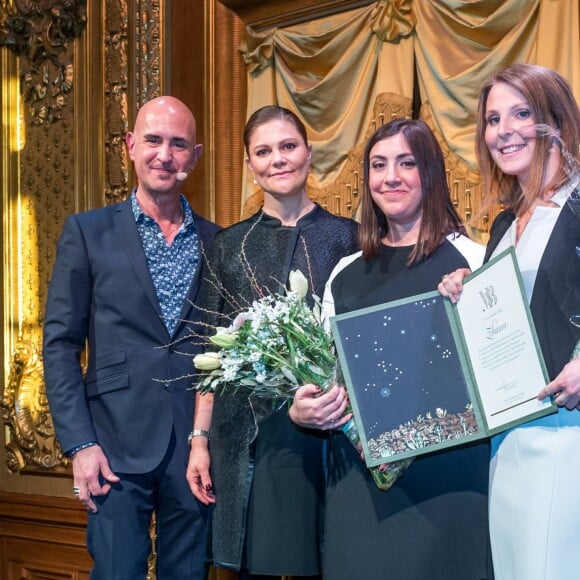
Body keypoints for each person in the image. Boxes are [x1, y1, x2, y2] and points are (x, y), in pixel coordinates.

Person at [290, 118, 494, 579]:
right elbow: (323, 376)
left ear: (431, 173)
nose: (390, 177)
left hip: (450, 485)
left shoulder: (475, 261)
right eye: (379, 165)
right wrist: (302, 410)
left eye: (406, 163)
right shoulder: (344, 273)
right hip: (360, 491)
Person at [43, 96, 220, 579]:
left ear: (196, 156)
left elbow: (223, 348)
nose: (165, 154)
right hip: (111, 447)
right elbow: (60, 343)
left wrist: (206, 438)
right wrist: (81, 444)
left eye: (178, 144)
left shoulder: (217, 242)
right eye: (153, 140)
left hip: (193, 449)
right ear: (130, 146)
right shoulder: (87, 232)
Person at [186, 105, 359, 579]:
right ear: (248, 164)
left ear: (309, 153)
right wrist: (199, 441)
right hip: (243, 437)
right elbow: (211, 350)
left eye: (288, 147)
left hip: (329, 434)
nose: (278, 159)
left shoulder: (349, 237)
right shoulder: (227, 245)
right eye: (264, 151)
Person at [439, 63, 580, 580]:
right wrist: (466, 287)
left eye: (522, 113)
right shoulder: (504, 221)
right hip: (509, 435)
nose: (505, 130)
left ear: (557, 120)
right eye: (493, 119)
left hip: (569, 434)